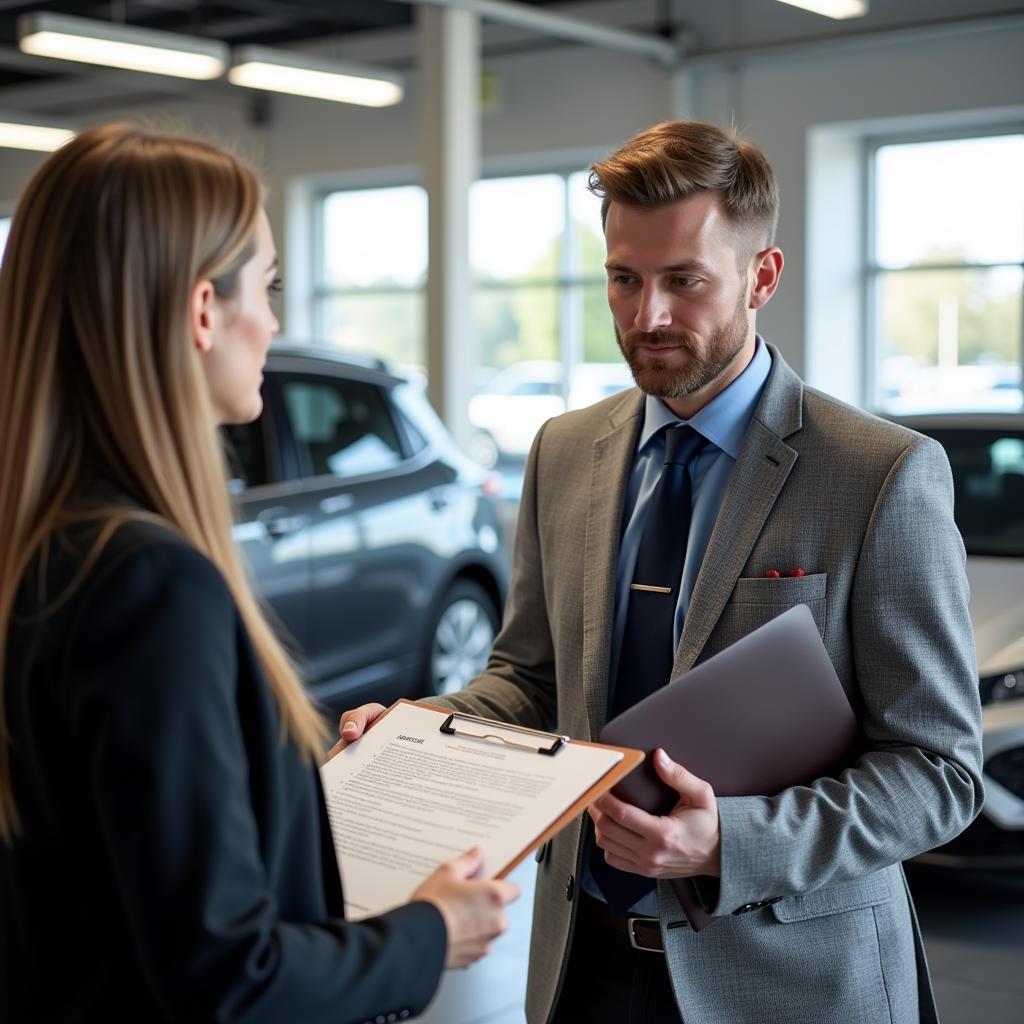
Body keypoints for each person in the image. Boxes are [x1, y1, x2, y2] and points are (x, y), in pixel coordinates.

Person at [339, 120, 984, 1024]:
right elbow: (530, 679)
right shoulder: (563, 452)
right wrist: (417, 732)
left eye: (684, 281)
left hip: (790, 982)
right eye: (624, 278)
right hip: (584, 965)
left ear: (762, 276)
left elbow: (940, 770)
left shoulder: (877, 473)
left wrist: (733, 842)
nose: (648, 317)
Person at [0, 124, 517, 1023]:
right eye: (268, 287)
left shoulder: (41, 547)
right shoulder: (151, 586)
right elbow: (227, 977)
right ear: (203, 309)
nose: (276, 321)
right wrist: (432, 931)